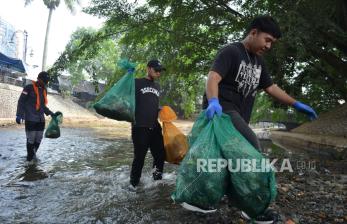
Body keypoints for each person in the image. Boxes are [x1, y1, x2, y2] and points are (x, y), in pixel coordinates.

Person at [203, 16, 318, 223]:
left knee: (228, 160)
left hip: (240, 115)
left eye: (272, 42)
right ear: (253, 32)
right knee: (253, 149)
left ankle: (218, 197)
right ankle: (252, 208)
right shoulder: (232, 51)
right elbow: (213, 77)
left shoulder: (258, 63)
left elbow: (271, 88)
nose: (269, 45)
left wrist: (296, 104)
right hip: (223, 112)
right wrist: (213, 101)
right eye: (267, 40)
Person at [130, 59, 166, 188]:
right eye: (156, 70)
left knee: (160, 155)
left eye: (160, 71)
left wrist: (159, 109)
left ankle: (157, 182)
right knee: (139, 158)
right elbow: (126, 97)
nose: (158, 73)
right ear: (148, 68)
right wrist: (128, 75)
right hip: (139, 126)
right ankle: (133, 185)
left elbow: (150, 103)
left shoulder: (157, 86)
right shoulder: (136, 83)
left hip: (154, 126)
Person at [16, 71, 55, 162]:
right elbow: (21, 102)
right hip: (30, 118)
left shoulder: (44, 90)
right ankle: (30, 159)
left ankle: (32, 155)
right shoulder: (28, 88)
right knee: (31, 139)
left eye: (47, 82)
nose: (46, 83)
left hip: (40, 119)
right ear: (39, 79)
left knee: (39, 138)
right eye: (44, 81)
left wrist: (51, 113)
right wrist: (19, 114)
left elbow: (42, 105)